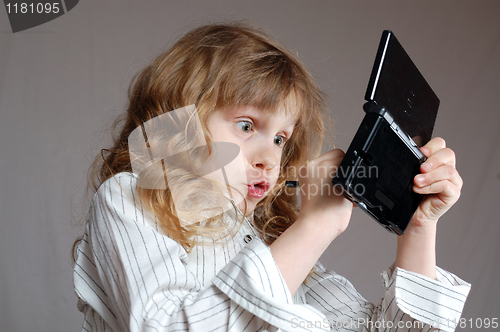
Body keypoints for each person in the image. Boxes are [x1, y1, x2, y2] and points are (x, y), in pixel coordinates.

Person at [73, 23, 470, 332]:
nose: (269, 157)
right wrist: (314, 228)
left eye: (281, 138)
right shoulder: (130, 198)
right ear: (181, 123)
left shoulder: (276, 243)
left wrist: (418, 226)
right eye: (246, 125)